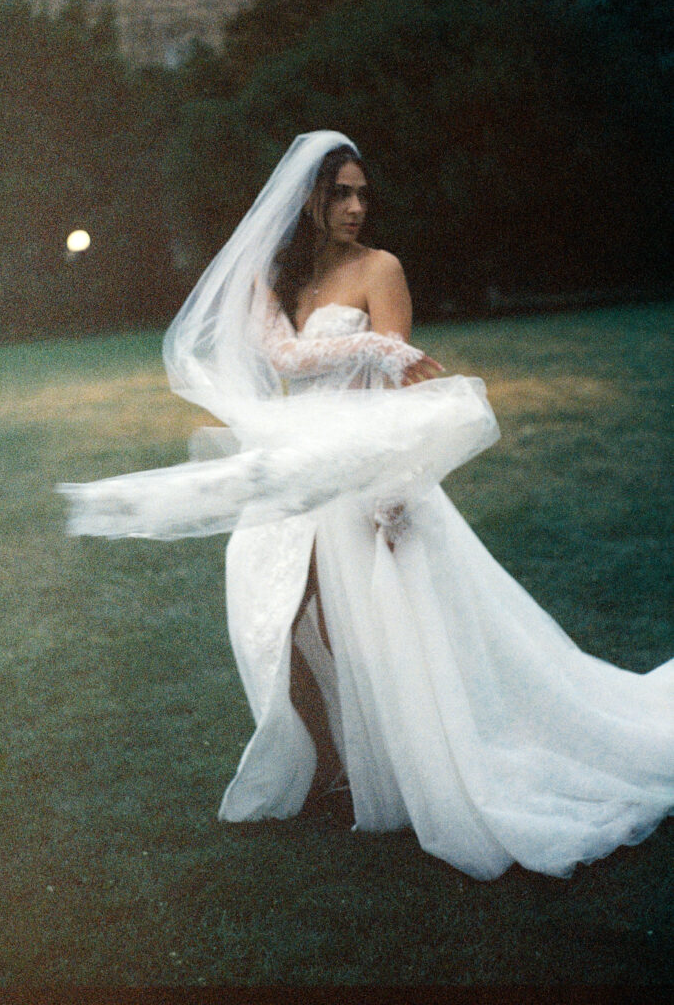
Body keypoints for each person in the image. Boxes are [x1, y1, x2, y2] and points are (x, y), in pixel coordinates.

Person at [60, 131, 673, 880]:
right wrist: (367, 347)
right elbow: (281, 358)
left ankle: (382, 764)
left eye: (361, 194)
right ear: (307, 202)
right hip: (298, 466)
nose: (355, 207)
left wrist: (392, 487)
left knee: (368, 623)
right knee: (271, 614)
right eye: (339, 194)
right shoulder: (274, 279)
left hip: (362, 466)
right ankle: (328, 759)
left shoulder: (382, 268)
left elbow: (399, 396)